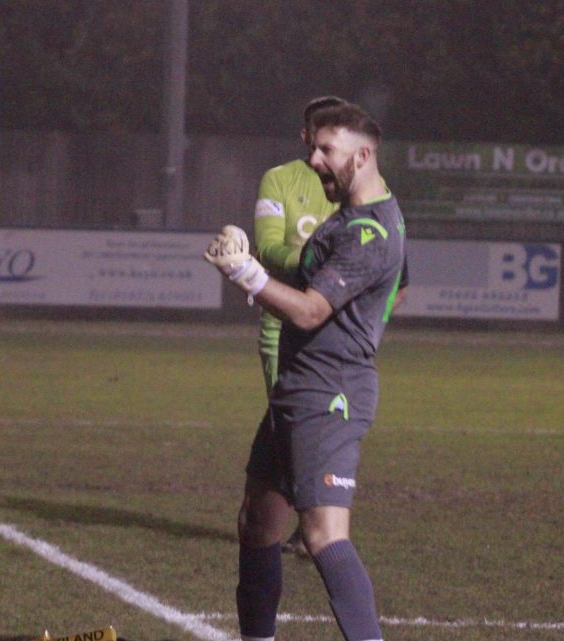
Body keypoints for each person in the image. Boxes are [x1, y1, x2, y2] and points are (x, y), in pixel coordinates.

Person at [204, 102, 407, 641]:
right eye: (313, 148)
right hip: (296, 387)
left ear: (362, 155)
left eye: (326, 151)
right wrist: (258, 262)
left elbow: (313, 309)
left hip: (330, 393)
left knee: (322, 535)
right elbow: (310, 275)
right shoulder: (346, 220)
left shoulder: (372, 232)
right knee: (258, 522)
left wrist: (246, 275)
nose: (314, 160)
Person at [252, 95, 346, 557]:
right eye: (318, 131)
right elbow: (268, 249)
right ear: (305, 136)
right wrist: (322, 265)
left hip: (339, 338)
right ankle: (295, 527)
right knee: (290, 429)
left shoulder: (361, 186)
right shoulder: (280, 180)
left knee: (329, 430)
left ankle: (314, 528)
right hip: (282, 332)